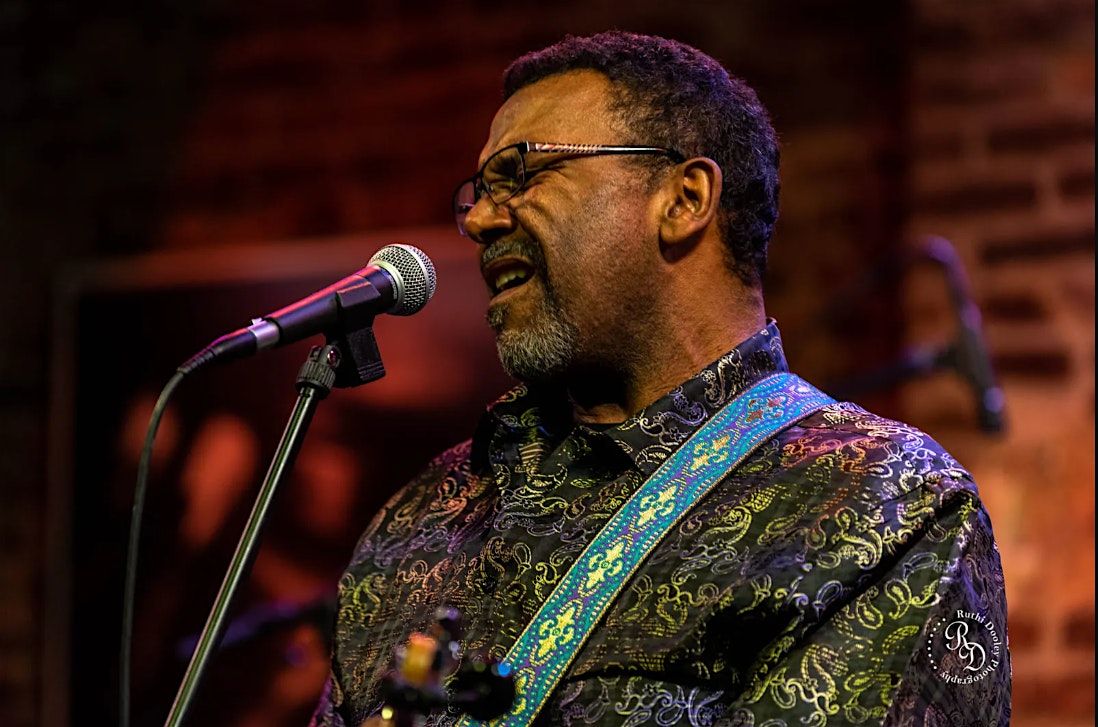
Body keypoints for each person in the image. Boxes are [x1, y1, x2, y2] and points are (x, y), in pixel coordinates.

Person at [311, 31, 1011, 726]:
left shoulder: (882, 501)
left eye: (521, 174)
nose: (484, 221)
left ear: (683, 199)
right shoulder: (420, 515)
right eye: (479, 193)